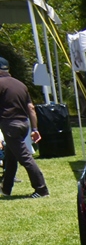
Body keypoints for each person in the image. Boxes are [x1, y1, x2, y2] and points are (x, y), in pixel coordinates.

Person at [0, 57, 48, 198]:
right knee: (11, 156)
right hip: (24, 124)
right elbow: (31, 108)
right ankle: (6, 188)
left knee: (25, 157)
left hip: (10, 125)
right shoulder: (20, 85)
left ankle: (41, 189)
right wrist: (34, 129)